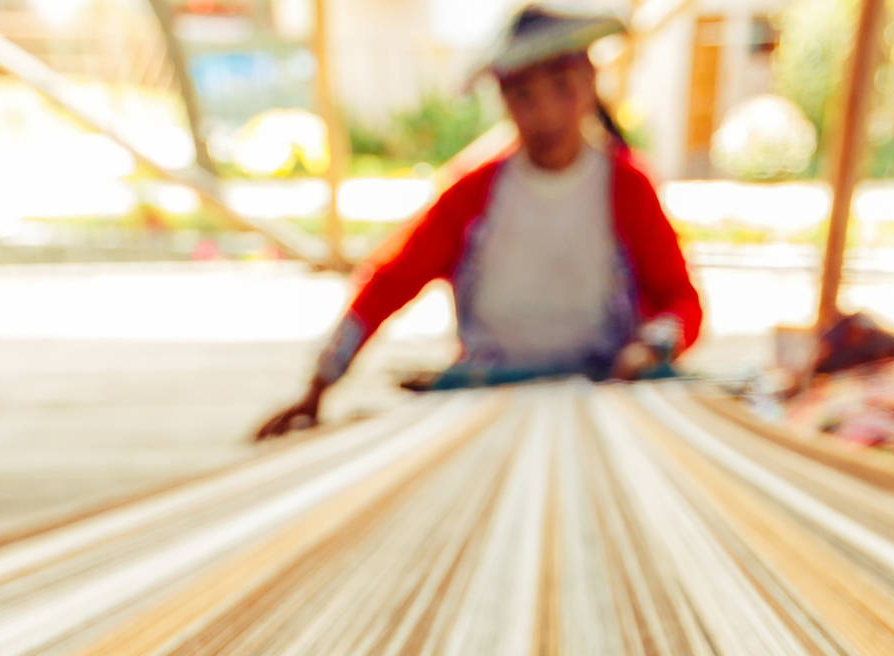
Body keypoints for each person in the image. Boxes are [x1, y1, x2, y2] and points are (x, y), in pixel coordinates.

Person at [254, 4, 703, 440]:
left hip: (606, 399)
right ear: (504, 98)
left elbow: (680, 300)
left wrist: (652, 346)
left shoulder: (627, 189)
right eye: (524, 95)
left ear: (589, 82)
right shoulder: (473, 194)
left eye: (561, 87)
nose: (544, 113)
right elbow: (388, 284)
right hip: (487, 398)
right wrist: (319, 386)